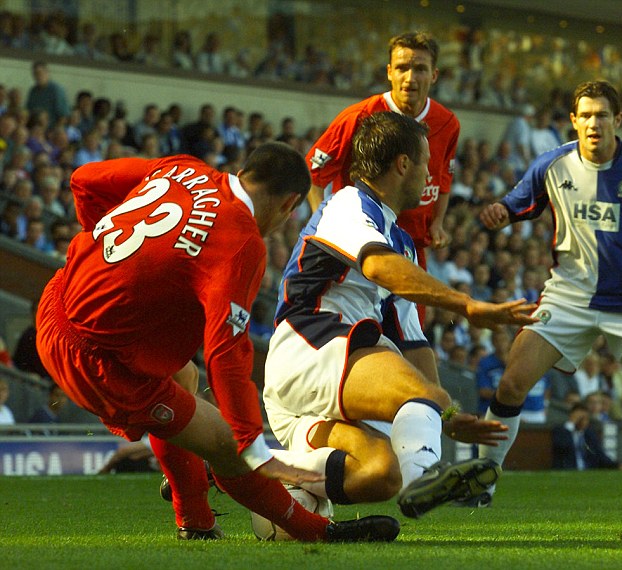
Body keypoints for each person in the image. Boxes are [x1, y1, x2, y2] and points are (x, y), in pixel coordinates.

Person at [35, 142, 398, 543]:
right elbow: (225, 355)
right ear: (289, 204)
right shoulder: (241, 242)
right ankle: (317, 532)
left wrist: (103, 249)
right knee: (227, 447)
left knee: (185, 378)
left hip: (58, 298)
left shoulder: (183, 167)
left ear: (245, 173)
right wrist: (251, 444)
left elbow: (82, 180)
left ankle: (195, 522)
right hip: (94, 359)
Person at [263, 111, 538, 519]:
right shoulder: (348, 203)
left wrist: (443, 414)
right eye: (426, 162)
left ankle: (252, 469)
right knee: (423, 397)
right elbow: (375, 266)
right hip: (308, 347)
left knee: (379, 473)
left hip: (325, 386)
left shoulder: (403, 245)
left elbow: (412, 342)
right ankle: (423, 478)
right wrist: (464, 305)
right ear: (403, 164)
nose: (431, 174)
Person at [476, 80, 622, 505]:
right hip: (568, 297)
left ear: (618, 120)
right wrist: (500, 213)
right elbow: (517, 203)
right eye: (585, 115)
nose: (593, 123)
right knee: (510, 384)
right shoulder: (553, 164)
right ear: (573, 121)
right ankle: (481, 484)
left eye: (602, 115)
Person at [304, 30, 460, 393]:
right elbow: (314, 172)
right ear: (389, 71)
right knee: (359, 341)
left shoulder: (447, 123)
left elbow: (446, 176)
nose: (411, 77)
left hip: (410, 249)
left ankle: (423, 423)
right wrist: (326, 226)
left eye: (420, 68)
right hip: (361, 247)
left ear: (434, 75)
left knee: (411, 341)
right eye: (403, 67)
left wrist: (437, 221)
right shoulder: (360, 116)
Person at [552, 403, 622, 470]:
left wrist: (617, 465)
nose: (582, 421)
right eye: (579, 418)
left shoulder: (589, 434)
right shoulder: (561, 431)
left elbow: (599, 455)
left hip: (588, 471)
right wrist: (571, 424)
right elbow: (561, 447)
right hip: (567, 471)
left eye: (585, 418)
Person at [26, 61, 70, 127]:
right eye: (35, 74)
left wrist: (55, 131)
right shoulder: (33, 91)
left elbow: (63, 116)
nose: (37, 76)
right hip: (35, 129)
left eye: (40, 73)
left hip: (53, 129)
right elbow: (28, 111)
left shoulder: (57, 90)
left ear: (47, 73)